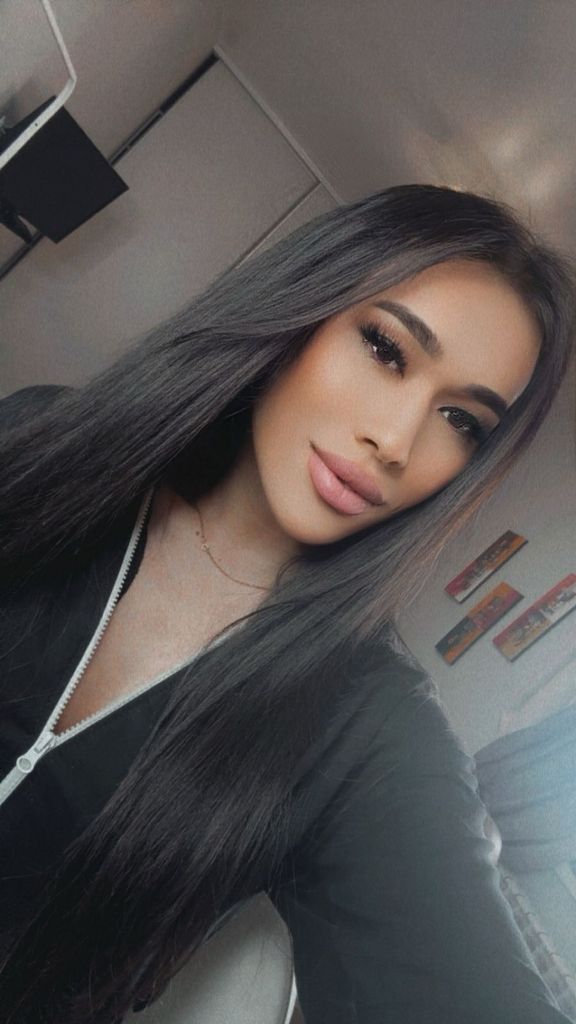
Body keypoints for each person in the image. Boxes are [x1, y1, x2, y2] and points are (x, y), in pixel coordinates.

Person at [0, 184, 575, 1024]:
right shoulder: (49, 441)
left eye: (461, 421)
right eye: (385, 348)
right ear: (304, 306)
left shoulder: (362, 725)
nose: (397, 441)